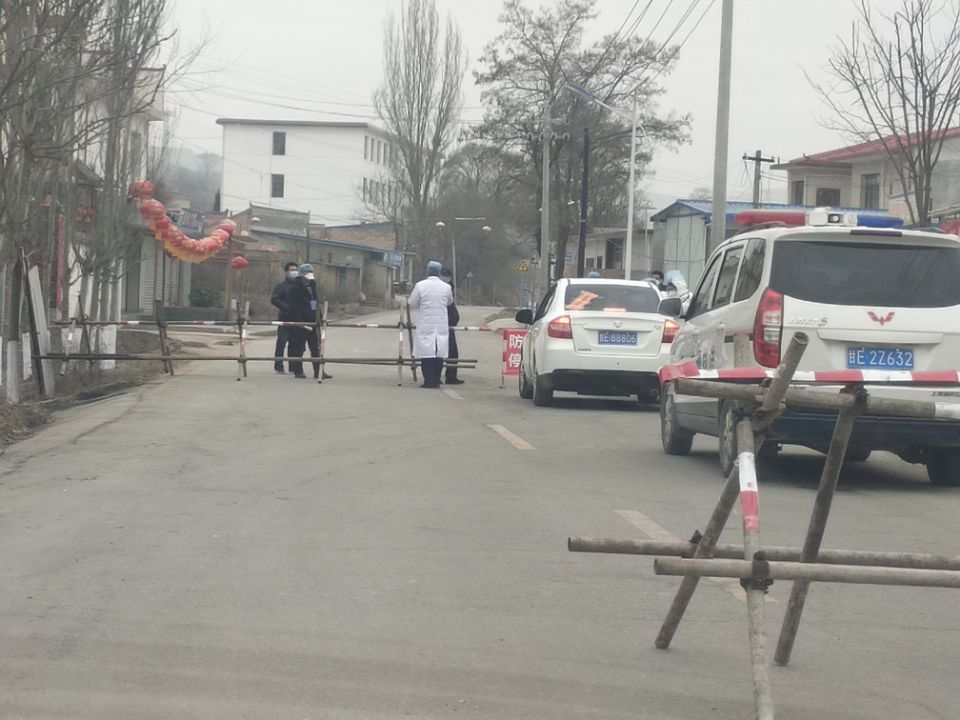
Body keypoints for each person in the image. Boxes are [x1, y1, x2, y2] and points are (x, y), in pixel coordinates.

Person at [408, 260, 453, 388]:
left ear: (428, 271)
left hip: (426, 323)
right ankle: (437, 380)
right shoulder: (446, 287)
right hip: (440, 324)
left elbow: (412, 302)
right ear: (439, 272)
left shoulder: (420, 285)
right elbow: (450, 301)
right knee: (439, 354)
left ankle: (428, 381)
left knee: (426, 353)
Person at [286, 263, 332, 380]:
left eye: (310, 272)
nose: (309, 275)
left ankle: (318, 371)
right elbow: (293, 306)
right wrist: (299, 322)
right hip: (301, 322)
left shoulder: (312, 285)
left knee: (316, 348)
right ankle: (298, 371)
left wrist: (319, 317)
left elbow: (315, 302)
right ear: (301, 274)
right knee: (299, 348)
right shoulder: (295, 287)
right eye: (307, 272)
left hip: (313, 321)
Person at [270, 262, 300, 374]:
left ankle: (293, 366)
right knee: (282, 342)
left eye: (296, 270)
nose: (294, 272)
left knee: (294, 344)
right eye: (292, 270)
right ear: (286, 272)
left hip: (297, 319)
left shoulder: (299, 286)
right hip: (284, 319)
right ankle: (279, 366)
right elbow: (274, 299)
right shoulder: (281, 286)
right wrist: (285, 308)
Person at [439, 267, 463, 385]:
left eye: (447, 276)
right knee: (439, 351)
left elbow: (451, 305)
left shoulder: (449, 287)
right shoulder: (441, 288)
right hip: (440, 323)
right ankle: (437, 376)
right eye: (444, 275)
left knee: (452, 351)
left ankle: (451, 376)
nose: (446, 277)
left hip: (448, 323)